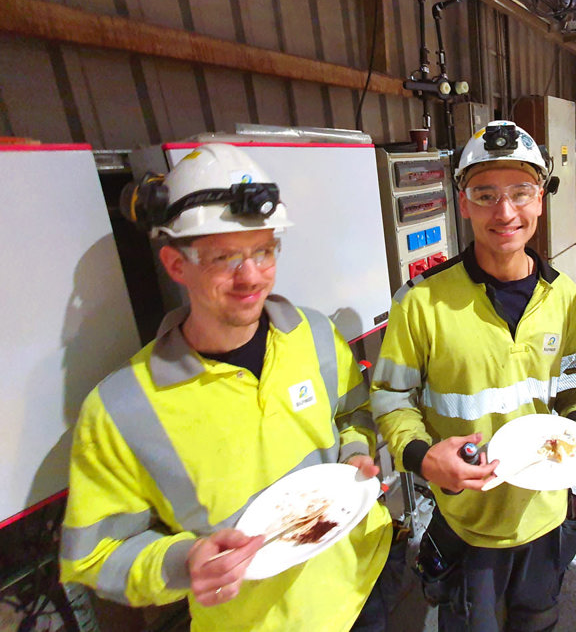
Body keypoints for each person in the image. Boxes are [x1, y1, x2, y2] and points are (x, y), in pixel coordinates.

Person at [59, 144, 397, 631]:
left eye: (263, 251)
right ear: (177, 265)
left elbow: (352, 413)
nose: (251, 277)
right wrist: (183, 562)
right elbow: (94, 555)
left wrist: (352, 455)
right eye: (225, 258)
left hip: (361, 582)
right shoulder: (123, 407)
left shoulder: (315, 334)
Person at [370, 121, 576, 632]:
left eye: (520, 193)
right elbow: (390, 395)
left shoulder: (565, 299)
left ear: (541, 198)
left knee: (538, 620)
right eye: (486, 195)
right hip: (468, 520)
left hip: (545, 510)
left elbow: (572, 376)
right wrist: (421, 457)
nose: (505, 212)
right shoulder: (421, 301)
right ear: (463, 201)